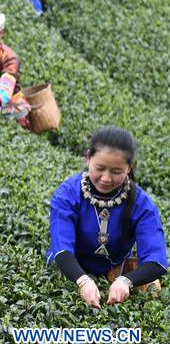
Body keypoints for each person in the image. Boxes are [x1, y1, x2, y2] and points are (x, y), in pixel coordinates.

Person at [47, 127, 167, 308]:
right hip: (70, 269)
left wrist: (126, 281)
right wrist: (83, 281)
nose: (106, 178)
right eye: (100, 168)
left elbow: (156, 260)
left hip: (116, 269)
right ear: (89, 158)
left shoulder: (142, 204)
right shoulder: (67, 194)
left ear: (129, 167)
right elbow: (62, 249)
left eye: (117, 172)